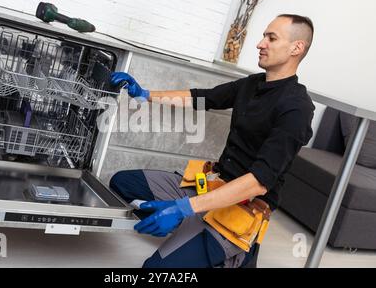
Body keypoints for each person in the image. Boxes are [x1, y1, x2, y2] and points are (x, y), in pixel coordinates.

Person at [109, 14, 315, 268]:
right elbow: (202, 97)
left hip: (242, 204)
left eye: (271, 38)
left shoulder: (297, 109)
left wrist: (182, 208)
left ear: (297, 48)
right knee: (123, 183)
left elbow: (258, 184)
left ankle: (236, 255)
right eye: (263, 36)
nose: (260, 43)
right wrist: (144, 94)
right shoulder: (252, 84)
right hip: (211, 187)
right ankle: (191, 229)